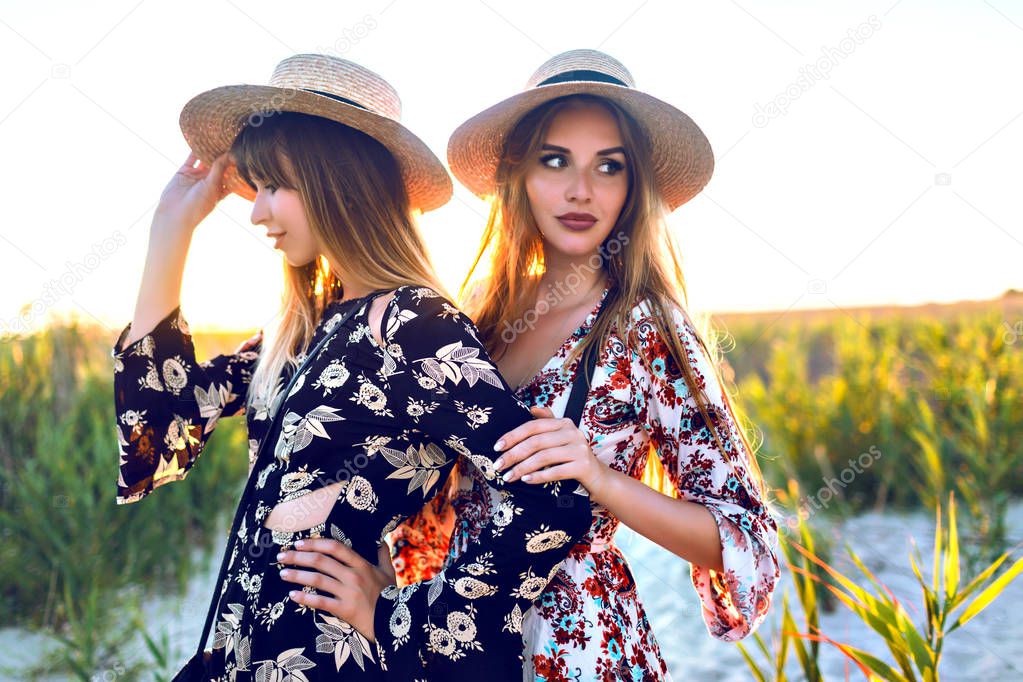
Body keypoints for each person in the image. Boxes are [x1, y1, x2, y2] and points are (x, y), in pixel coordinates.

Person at [111, 53, 592, 680]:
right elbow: (158, 440)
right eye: (254, 188)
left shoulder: (414, 326)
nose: (257, 213)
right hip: (239, 654)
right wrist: (169, 234)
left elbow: (551, 498)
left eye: (275, 186)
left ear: (338, 182)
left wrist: (402, 616)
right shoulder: (300, 330)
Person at [331, 49, 781, 680]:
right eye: (555, 160)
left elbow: (742, 539)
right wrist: (384, 575)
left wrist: (600, 479)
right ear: (518, 176)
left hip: (574, 648)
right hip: (452, 635)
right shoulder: (479, 320)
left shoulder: (644, 326)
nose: (580, 190)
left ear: (634, 187)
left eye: (609, 167)